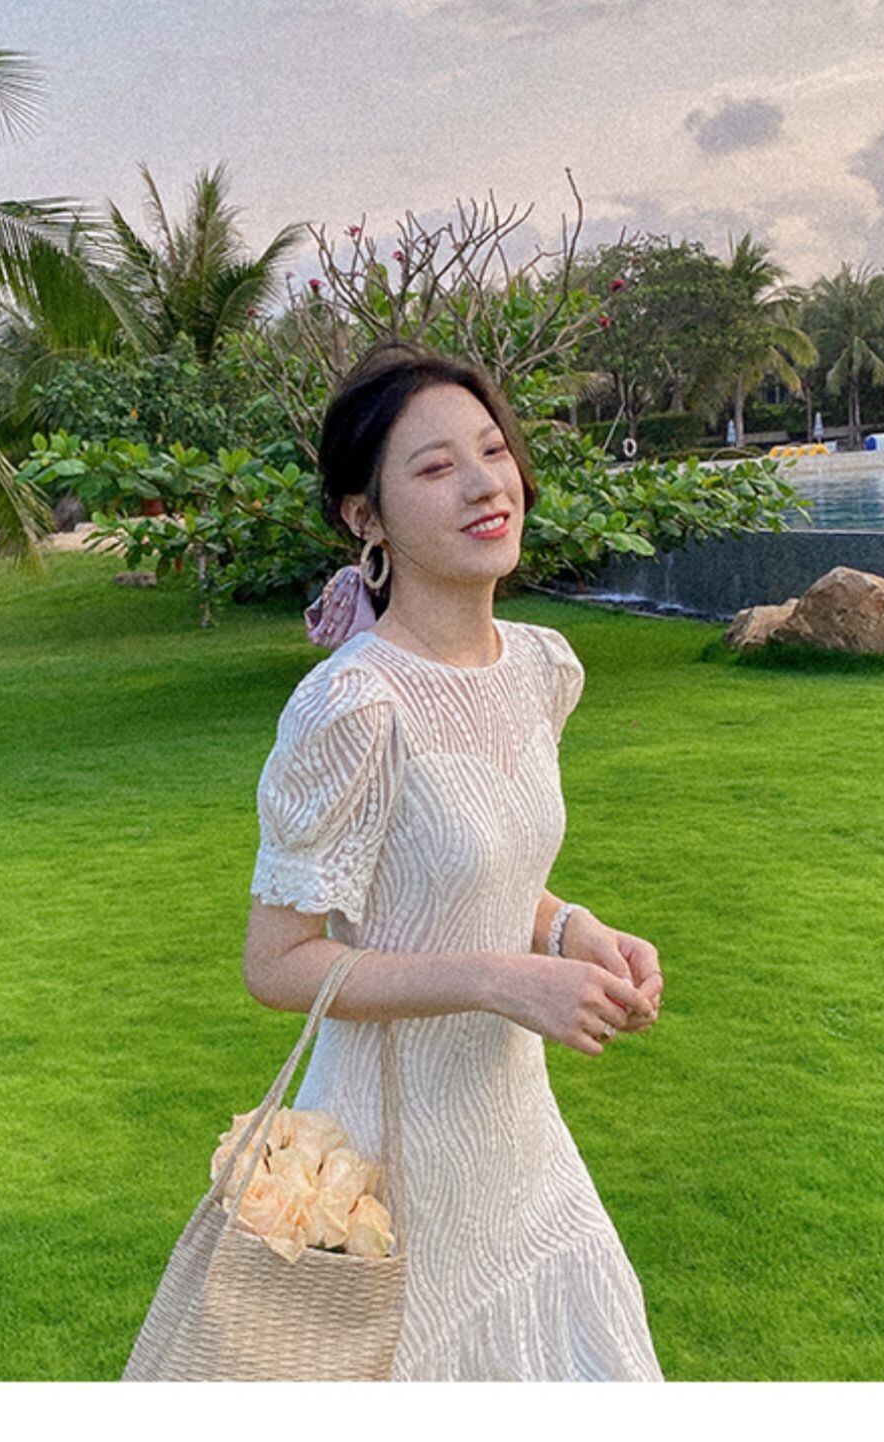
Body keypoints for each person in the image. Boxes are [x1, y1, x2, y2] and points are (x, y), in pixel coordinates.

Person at [242, 337, 666, 1381]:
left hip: (519, 1143)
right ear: (366, 517)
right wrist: (497, 980)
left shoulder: (541, 669)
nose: (485, 484)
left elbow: (474, 870)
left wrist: (573, 931)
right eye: (435, 467)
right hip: (395, 1157)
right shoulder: (353, 707)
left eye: (493, 450)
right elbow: (277, 960)